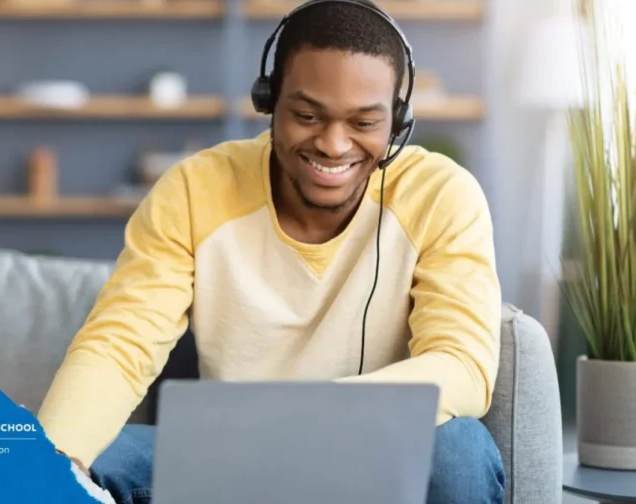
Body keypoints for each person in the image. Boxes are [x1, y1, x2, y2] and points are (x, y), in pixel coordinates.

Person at [36, 1, 505, 503]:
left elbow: (462, 362)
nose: (333, 143)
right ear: (268, 101)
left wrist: (304, 417)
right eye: (307, 115)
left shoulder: (441, 195)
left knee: (459, 447)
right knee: (84, 458)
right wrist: (50, 464)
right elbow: (119, 348)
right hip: (233, 455)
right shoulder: (195, 190)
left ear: (398, 120)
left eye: (364, 123)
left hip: (376, 450)